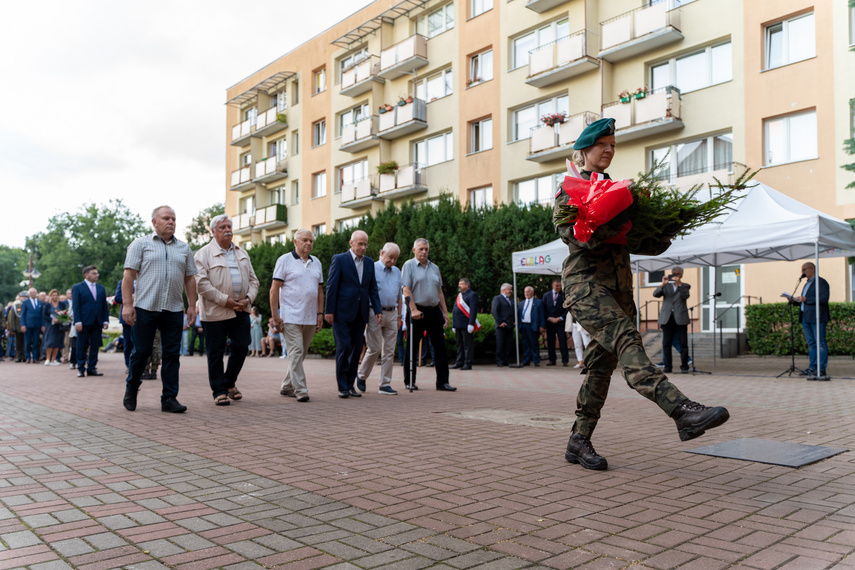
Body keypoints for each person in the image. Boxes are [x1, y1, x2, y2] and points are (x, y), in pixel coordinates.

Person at [554, 117, 729, 470]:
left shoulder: (617, 190)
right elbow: (576, 236)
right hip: (585, 287)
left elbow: (642, 244)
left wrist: (665, 227)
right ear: (585, 150)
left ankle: (578, 440)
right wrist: (616, 220)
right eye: (603, 144)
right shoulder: (570, 189)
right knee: (628, 342)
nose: (609, 150)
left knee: (600, 371)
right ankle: (680, 409)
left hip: (618, 291)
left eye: (613, 145)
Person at [122, 205, 198, 413]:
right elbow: (128, 276)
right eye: (166, 218)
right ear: (154, 222)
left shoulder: (184, 248)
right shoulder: (140, 244)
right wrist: (127, 305)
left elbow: (190, 278)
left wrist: (191, 305)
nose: (171, 222)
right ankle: (131, 387)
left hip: (173, 309)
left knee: (172, 354)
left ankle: (169, 398)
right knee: (142, 352)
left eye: (173, 219)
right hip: (146, 307)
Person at [194, 214, 259, 405]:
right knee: (215, 352)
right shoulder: (203, 254)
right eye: (222, 227)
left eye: (229, 226)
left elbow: (254, 280)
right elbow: (201, 284)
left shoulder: (242, 253)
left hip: (241, 309)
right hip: (215, 312)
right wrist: (226, 301)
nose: (227, 230)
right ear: (213, 231)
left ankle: (229, 382)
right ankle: (219, 391)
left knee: (241, 346)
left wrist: (248, 299)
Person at [325, 230, 382, 399]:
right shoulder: (339, 259)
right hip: (341, 312)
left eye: (365, 244)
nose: (363, 247)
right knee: (344, 346)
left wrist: (377, 309)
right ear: (351, 243)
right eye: (360, 244)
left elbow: (372, 288)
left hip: (361, 312)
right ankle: (342, 386)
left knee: (356, 349)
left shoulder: (370, 263)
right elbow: (331, 286)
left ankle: (350, 385)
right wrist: (329, 310)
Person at [270, 229, 324, 402]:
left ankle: (287, 386)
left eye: (311, 240)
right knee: (296, 350)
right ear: (295, 241)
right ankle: (300, 389)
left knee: (300, 355)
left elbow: (320, 291)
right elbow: (274, 289)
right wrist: (275, 315)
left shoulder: (316, 262)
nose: (308, 243)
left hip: (309, 316)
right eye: (304, 240)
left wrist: (320, 313)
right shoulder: (284, 260)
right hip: (290, 315)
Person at [401, 238, 456, 392]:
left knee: (440, 347)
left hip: (433, 311)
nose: (424, 251)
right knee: (411, 348)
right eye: (420, 249)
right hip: (416, 310)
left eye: (426, 249)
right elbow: (406, 289)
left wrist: (445, 312)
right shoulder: (409, 265)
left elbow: (439, 291)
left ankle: (442, 382)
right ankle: (409, 381)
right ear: (414, 250)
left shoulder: (434, 268)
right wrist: (413, 310)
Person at [357, 242, 402, 395]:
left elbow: (399, 296)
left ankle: (385, 384)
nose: (393, 261)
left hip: (392, 313)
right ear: (382, 253)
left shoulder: (397, 271)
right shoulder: (371, 267)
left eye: (396, 258)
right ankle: (361, 375)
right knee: (374, 348)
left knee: (389, 351)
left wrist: (399, 316)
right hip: (375, 312)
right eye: (390, 257)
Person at [783, 261, 829, 379]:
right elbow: (805, 301)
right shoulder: (806, 283)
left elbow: (823, 299)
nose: (802, 272)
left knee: (821, 343)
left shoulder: (821, 282)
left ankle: (821, 369)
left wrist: (805, 298)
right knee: (811, 343)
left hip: (817, 317)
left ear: (812, 269)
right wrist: (795, 301)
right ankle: (812, 367)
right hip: (805, 316)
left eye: (804, 270)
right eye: (802, 270)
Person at [72, 267, 109, 377]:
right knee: (82, 346)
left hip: (97, 321)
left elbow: (104, 305)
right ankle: (81, 368)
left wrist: (105, 320)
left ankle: (91, 368)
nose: (97, 275)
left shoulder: (101, 288)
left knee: (95, 345)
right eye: (94, 273)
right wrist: (77, 321)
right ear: (86, 275)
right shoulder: (77, 287)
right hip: (83, 321)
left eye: (97, 273)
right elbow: (76, 306)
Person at [653, 267, 690, 374]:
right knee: (666, 344)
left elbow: (686, 295)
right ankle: (668, 367)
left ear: (681, 275)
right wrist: (662, 285)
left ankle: (684, 367)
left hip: (680, 318)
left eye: (677, 274)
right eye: (673, 273)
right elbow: (655, 294)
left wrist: (679, 285)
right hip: (667, 318)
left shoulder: (685, 286)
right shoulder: (666, 286)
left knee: (683, 344)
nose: (675, 275)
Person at [451, 278, 479, 371]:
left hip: (466, 324)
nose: (459, 285)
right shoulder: (460, 295)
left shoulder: (472, 295)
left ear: (467, 285)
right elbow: (455, 311)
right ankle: (459, 362)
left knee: (467, 345)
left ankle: (468, 363)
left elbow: (473, 311)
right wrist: (453, 325)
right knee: (459, 345)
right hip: (458, 324)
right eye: (459, 283)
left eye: (461, 284)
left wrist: (471, 323)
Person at [543, 280, 569, 367]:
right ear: (552, 285)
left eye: (559, 286)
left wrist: (561, 318)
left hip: (560, 322)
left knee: (563, 342)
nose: (558, 287)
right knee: (550, 342)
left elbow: (567, 308)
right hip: (550, 322)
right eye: (557, 286)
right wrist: (549, 318)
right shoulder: (546, 295)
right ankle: (552, 360)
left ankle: (565, 360)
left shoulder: (564, 295)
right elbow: (544, 309)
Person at [517, 286, 545, 367]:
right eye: (525, 292)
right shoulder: (521, 303)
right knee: (525, 344)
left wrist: (542, 326)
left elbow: (542, 315)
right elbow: (519, 315)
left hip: (533, 326)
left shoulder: (538, 302)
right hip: (523, 326)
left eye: (528, 292)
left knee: (534, 344)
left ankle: (536, 361)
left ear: (532, 292)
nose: (526, 293)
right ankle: (526, 361)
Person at [491, 283, 515, 367]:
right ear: (504, 290)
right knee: (500, 344)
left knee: (508, 344)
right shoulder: (497, 298)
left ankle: (506, 360)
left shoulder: (511, 300)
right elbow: (494, 311)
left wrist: (514, 321)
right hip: (501, 326)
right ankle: (499, 361)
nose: (511, 291)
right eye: (509, 289)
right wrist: (500, 322)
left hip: (510, 325)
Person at [43, 289, 69, 366]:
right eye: (53, 295)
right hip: (50, 326)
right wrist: (52, 319)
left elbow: (65, 314)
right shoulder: (48, 305)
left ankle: (54, 359)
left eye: (56, 295)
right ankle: (48, 359)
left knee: (57, 342)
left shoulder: (62, 304)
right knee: (50, 342)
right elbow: (44, 315)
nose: (55, 297)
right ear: (51, 296)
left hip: (59, 326)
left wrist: (61, 319)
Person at [114, 279, 135, 373]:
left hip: (144, 317)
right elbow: (117, 298)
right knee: (128, 343)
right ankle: (129, 365)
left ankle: (143, 365)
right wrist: (131, 298)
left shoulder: (147, 278)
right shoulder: (123, 281)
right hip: (128, 318)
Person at [20, 288, 44, 363]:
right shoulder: (25, 302)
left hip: (37, 325)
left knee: (36, 342)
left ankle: (35, 357)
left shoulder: (40, 303)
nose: (32, 294)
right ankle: (27, 357)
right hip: (28, 324)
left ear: (36, 293)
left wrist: (43, 325)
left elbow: (42, 315)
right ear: (29, 294)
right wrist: (22, 325)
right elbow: (22, 315)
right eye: (31, 292)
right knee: (27, 342)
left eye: (34, 292)